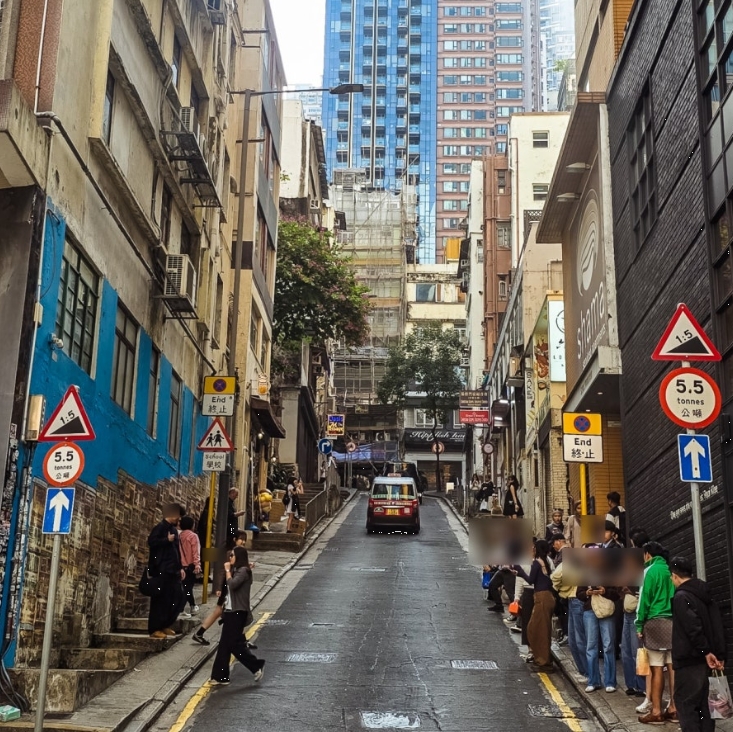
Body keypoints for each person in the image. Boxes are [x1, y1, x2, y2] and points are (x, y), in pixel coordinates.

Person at [670, 556, 727, 732]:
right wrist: (719, 654)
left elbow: (693, 628)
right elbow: (717, 625)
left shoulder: (681, 597)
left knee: (686, 704)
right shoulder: (706, 594)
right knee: (705, 706)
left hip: (690, 660)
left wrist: (705, 651)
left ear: (675, 576)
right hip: (707, 660)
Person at [209, 546, 265, 686]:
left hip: (238, 612)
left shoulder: (243, 571)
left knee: (234, 644)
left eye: (232, 555)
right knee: (224, 644)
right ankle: (220, 676)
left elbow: (233, 584)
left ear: (238, 557)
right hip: (230, 612)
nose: (230, 558)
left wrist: (228, 570)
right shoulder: (240, 569)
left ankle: (256, 666)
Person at [636, 541, 677, 724]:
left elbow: (643, 601)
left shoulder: (649, 571)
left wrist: (639, 625)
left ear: (647, 555)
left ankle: (657, 711)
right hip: (673, 623)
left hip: (654, 623)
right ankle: (674, 709)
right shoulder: (671, 571)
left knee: (656, 667)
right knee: (673, 667)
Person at [192, 531, 256, 647]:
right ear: (235, 539)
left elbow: (236, 570)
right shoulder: (231, 553)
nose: (243, 542)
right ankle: (200, 633)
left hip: (231, 585)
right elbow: (224, 571)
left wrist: (247, 566)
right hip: (228, 587)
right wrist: (219, 587)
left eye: (244, 539)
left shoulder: (238, 552)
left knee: (229, 613)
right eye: (241, 539)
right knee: (229, 612)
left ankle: (200, 633)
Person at [513, 540, 556, 673]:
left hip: (542, 598)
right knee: (536, 629)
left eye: (534, 547)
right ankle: (542, 658)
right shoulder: (546, 561)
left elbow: (531, 580)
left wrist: (520, 571)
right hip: (545, 596)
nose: (532, 549)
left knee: (538, 630)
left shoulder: (537, 563)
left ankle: (544, 662)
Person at [147, 503, 186, 639]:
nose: (179, 519)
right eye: (178, 516)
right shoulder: (160, 528)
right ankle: (155, 628)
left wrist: (180, 567)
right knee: (160, 600)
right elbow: (151, 542)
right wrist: (166, 540)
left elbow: (176, 550)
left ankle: (165, 624)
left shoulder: (173, 530)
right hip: (161, 570)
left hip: (173, 570)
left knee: (177, 597)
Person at [577, 572, 620, 693]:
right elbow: (579, 594)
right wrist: (587, 593)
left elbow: (617, 594)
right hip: (589, 611)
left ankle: (610, 682)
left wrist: (604, 591)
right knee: (591, 646)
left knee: (608, 646)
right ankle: (593, 681)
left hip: (606, 610)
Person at [620, 529, 648, 699]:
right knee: (626, 650)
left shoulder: (644, 563)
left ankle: (641, 686)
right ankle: (631, 684)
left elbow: (641, 587)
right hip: (627, 610)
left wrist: (628, 588)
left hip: (636, 611)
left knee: (636, 651)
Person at [178, 516, 201, 617]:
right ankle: (181, 609)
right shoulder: (193, 536)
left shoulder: (179, 536)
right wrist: (197, 565)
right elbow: (195, 552)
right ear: (192, 525)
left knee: (186, 588)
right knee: (187, 589)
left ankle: (192, 606)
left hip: (180, 566)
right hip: (190, 566)